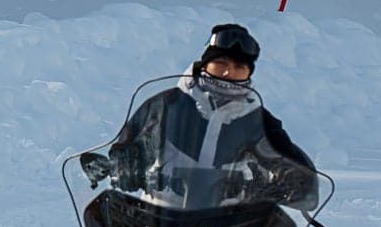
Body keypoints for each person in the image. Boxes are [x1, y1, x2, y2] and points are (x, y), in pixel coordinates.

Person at [92, 23, 317, 212]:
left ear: (249, 72)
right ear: (205, 64)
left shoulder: (259, 121)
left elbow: (292, 168)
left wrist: (279, 185)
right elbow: (125, 147)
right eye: (221, 63)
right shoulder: (165, 105)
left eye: (239, 66)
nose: (229, 72)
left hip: (229, 225)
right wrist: (123, 165)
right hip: (160, 219)